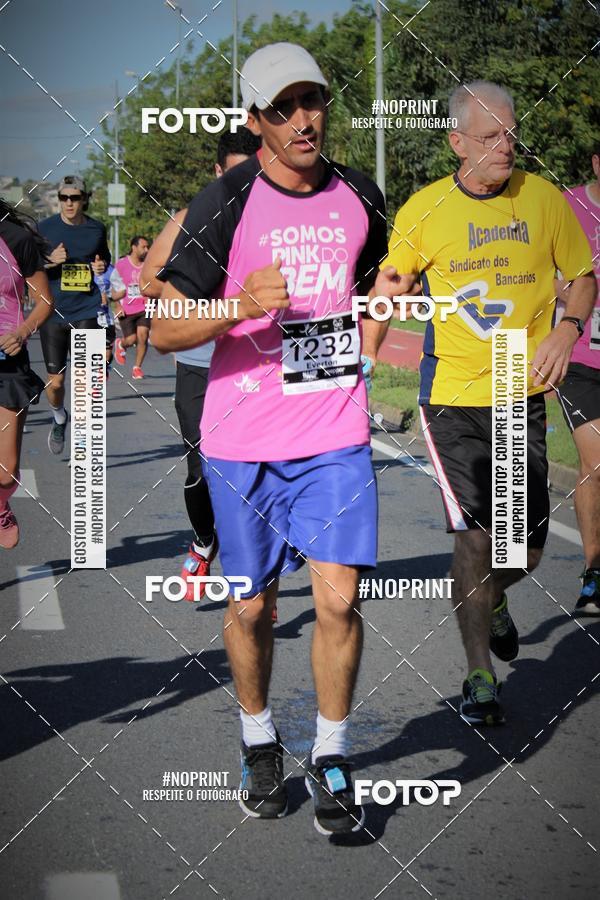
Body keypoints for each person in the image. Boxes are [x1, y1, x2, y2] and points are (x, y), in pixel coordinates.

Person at [150, 43, 386, 835]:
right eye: (282, 108)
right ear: (255, 122)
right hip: (241, 437)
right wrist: (239, 304)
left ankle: (331, 752)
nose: (303, 119)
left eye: (312, 100)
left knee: (341, 597)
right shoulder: (225, 200)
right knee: (251, 609)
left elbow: (376, 289)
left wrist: (385, 315)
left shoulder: (361, 193)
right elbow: (162, 331)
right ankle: (258, 740)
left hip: (334, 431)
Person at [375, 81, 595, 725]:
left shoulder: (543, 199)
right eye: (492, 135)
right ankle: (479, 675)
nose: (508, 145)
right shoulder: (425, 209)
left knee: (521, 550)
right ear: (457, 142)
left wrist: (566, 328)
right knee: (475, 535)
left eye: (512, 132)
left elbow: (581, 277)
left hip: (516, 388)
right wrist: (361, 360)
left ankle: (492, 598)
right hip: (450, 394)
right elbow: (391, 286)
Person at [141, 129, 261, 603]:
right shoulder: (193, 216)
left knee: (251, 475)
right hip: (198, 361)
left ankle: (251, 583)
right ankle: (204, 539)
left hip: (254, 364)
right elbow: (150, 281)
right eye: (234, 174)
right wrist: (204, 286)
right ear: (217, 173)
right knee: (201, 468)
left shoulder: (274, 218)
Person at [555, 150, 600, 614]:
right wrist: (574, 301)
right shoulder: (566, 206)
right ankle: (594, 571)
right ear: (595, 163)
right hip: (584, 355)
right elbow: (542, 271)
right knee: (596, 462)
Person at [38, 176, 110, 455]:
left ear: (84, 199)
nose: (69, 203)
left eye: (75, 197)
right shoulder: (44, 229)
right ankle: (59, 416)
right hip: (53, 311)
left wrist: (102, 266)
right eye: (64, 197)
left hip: (86, 308)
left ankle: (83, 446)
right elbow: (27, 267)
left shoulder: (96, 229)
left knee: (85, 381)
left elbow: (104, 260)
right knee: (55, 382)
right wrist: (49, 261)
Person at [0, 199, 54, 547]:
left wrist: (23, 332)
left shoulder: (14, 239)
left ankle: (1, 503)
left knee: (6, 469)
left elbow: (45, 300)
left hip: (8, 359)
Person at [112, 236, 151, 379]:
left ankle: (137, 367)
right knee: (132, 339)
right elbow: (114, 285)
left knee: (143, 335)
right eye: (143, 247)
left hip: (144, 307)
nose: (146, 250)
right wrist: (117, 306)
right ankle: (121, 344)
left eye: (148, 247)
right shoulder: (122, 264)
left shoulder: (148, 264)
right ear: (134, 247)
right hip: (127, 308)